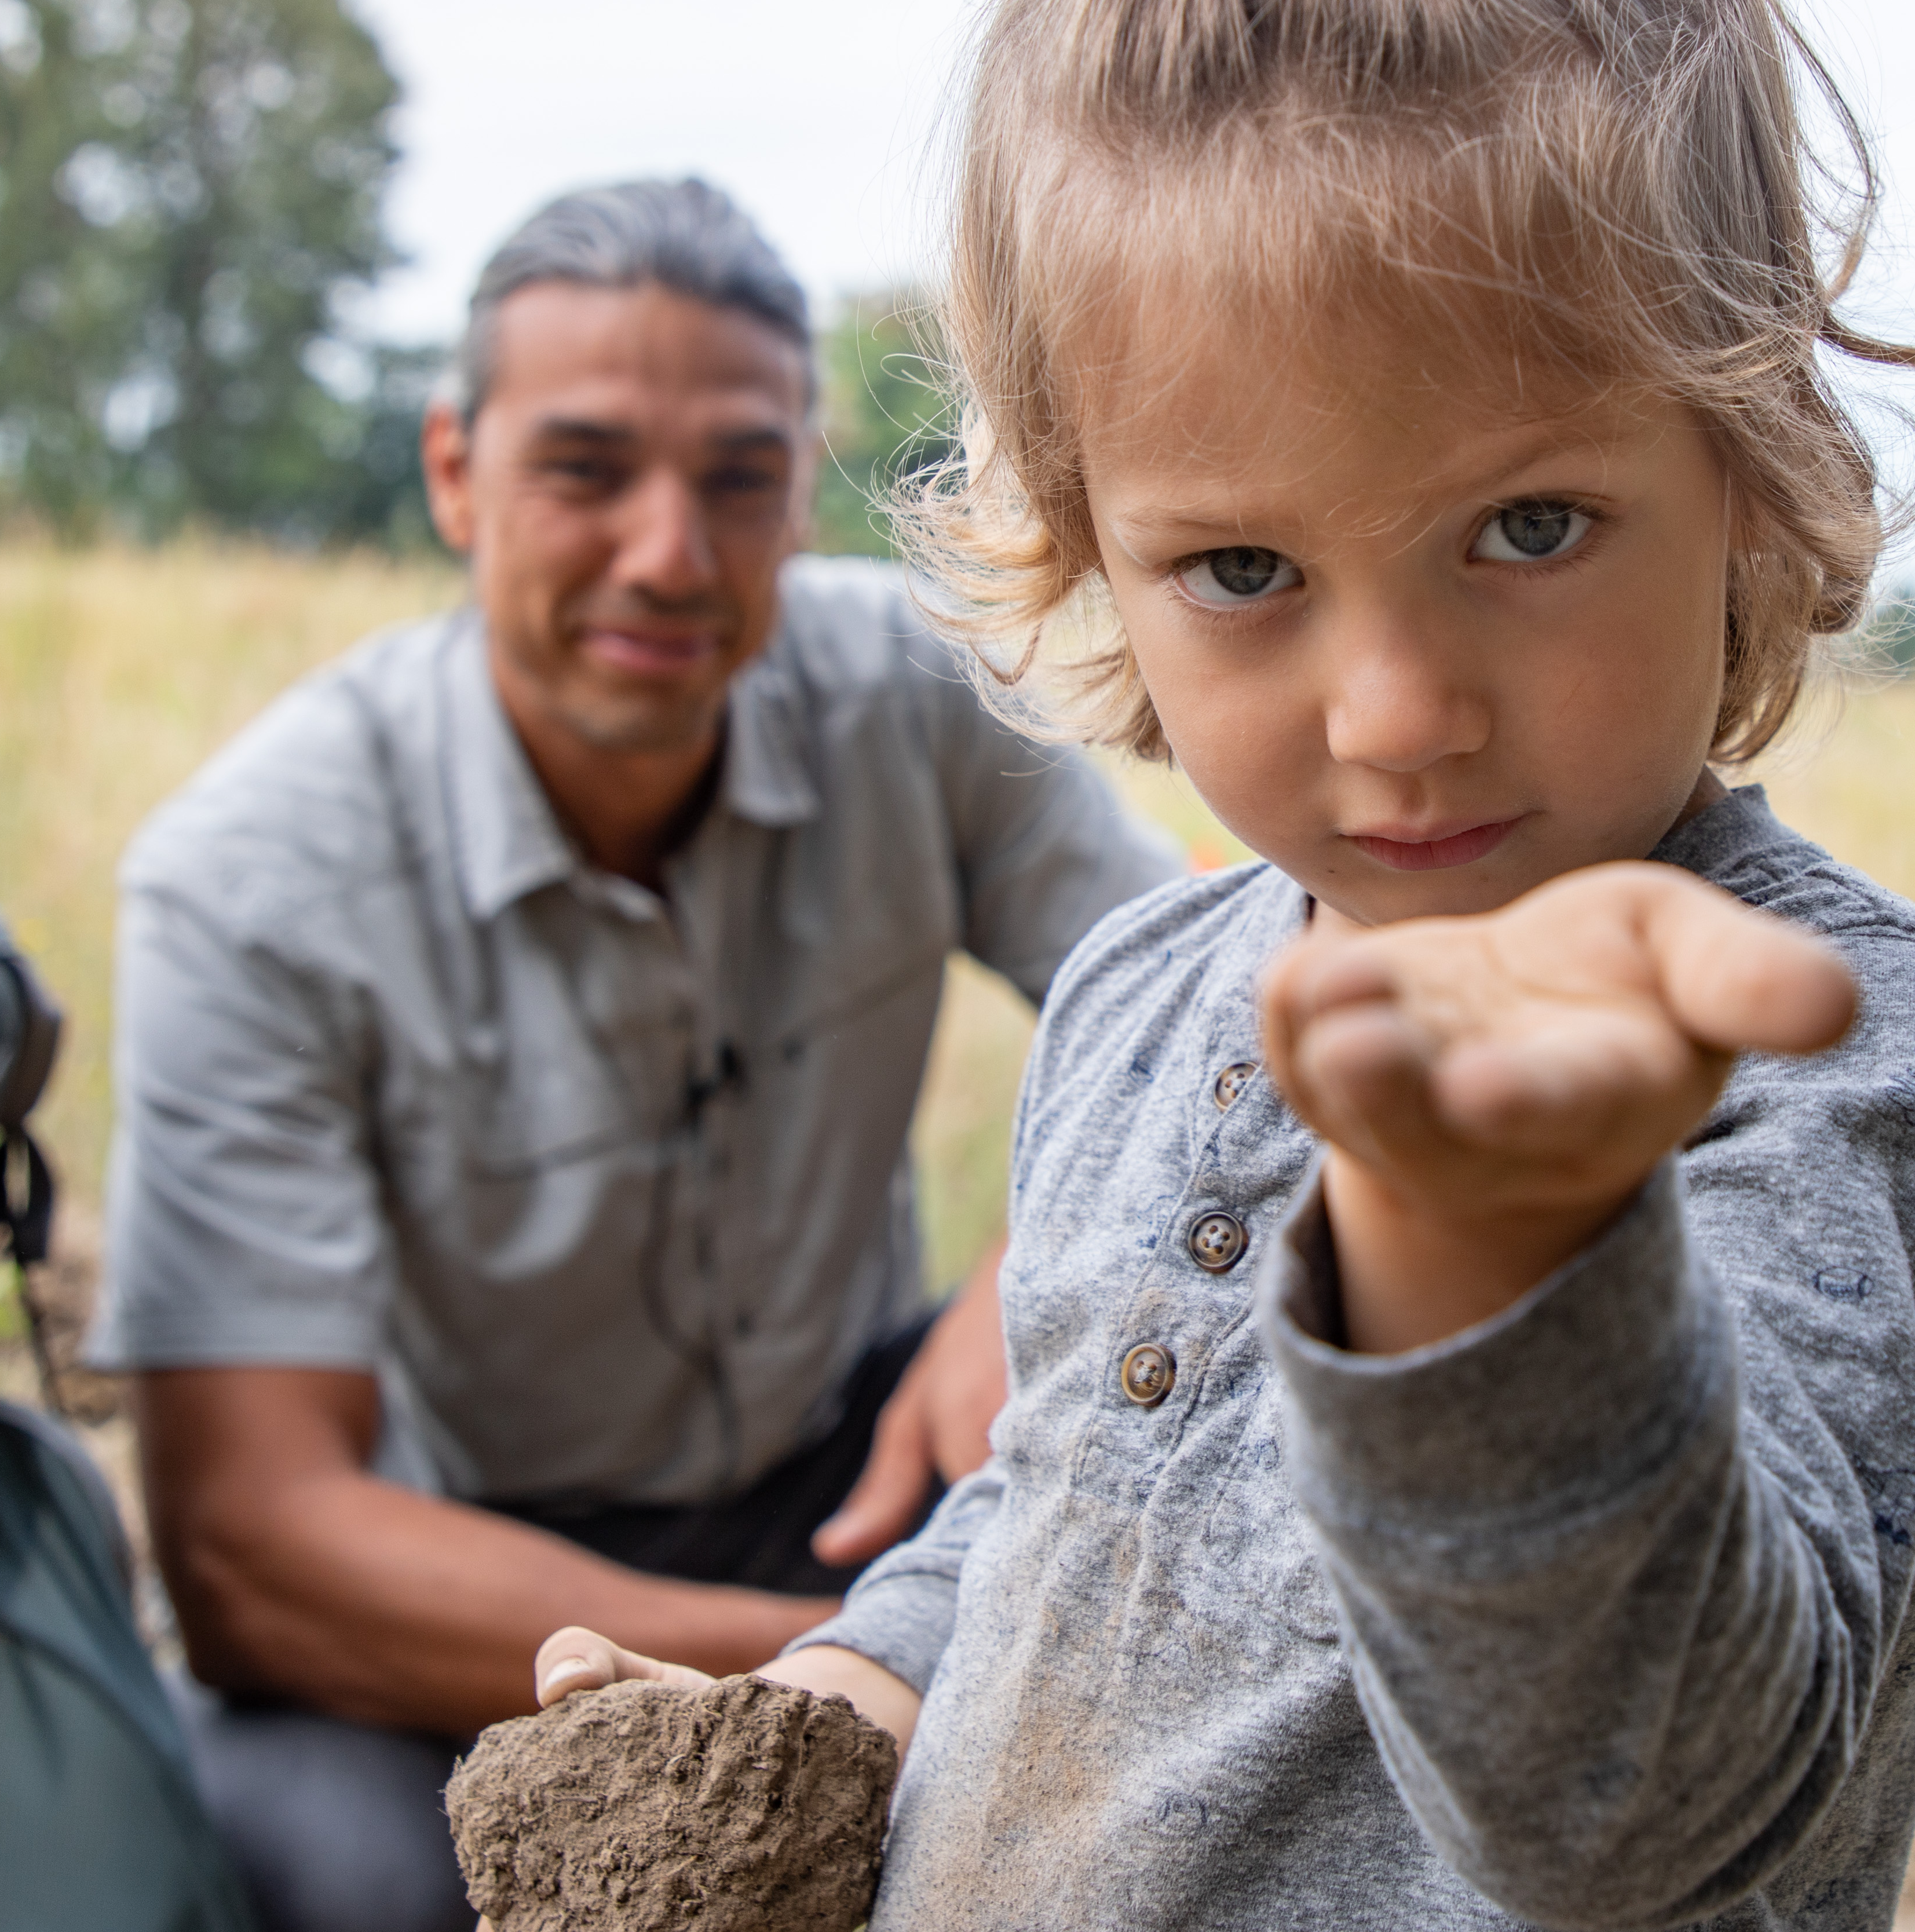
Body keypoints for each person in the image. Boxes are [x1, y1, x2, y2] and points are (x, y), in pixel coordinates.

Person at [517, 0, 1915, 1932]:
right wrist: (837, 1706)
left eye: (1528, 528)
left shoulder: (1830, 1045)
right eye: (1238, 569)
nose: (1392, 711)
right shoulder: (1143, 990)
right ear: (1082, 553)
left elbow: (1654, 1818)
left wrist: (1504, 1248)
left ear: (1751, 463)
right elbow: (1059, 1508)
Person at [85, 177, 1178, 1932]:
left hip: (842, 1490)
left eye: (740, 478)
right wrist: (845, 1678)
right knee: (360, 1885)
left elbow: (1230, 1001)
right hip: (463, 1584)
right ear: (456, 472)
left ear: (804, 484)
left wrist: (1023, 1274)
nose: (669, 554)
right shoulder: (251, 880)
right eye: (585, 471)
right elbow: (253, 1549)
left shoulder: (915, 698)